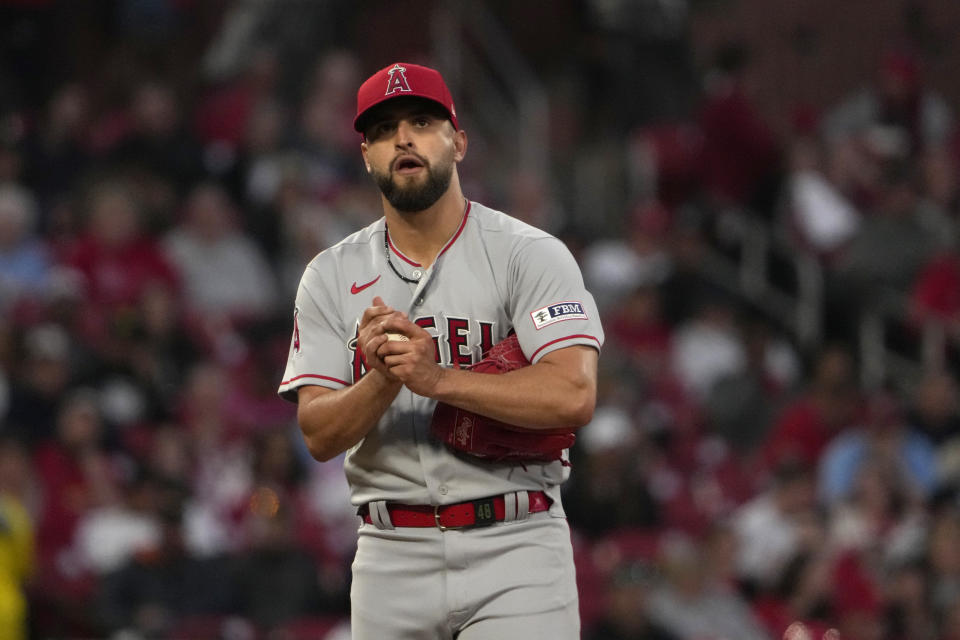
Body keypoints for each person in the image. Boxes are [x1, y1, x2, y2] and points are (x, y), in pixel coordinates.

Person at [277, 62, 603, 639]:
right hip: (390, 555)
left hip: (516, 543)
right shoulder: (329, 275)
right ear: (367, 156)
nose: (402, 137)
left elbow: (573, 393)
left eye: (422, 121)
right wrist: (382, 379)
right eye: (382, 129)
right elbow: (318, 434)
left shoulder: (529, 254)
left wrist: (437, 379)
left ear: (458, 141)